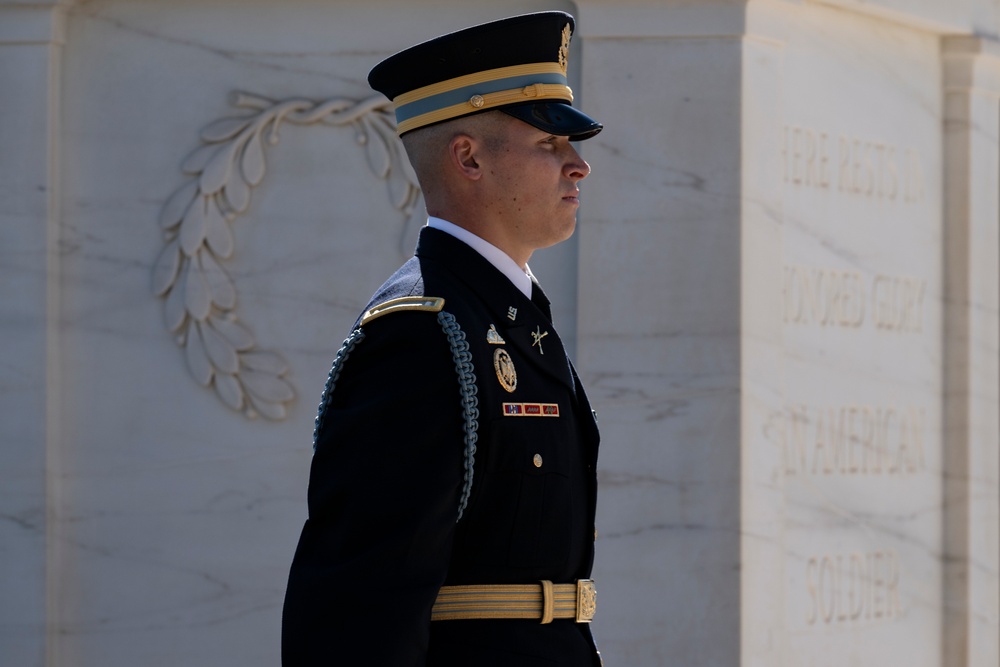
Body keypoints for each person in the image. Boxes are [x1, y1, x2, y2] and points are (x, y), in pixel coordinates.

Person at [282, 11, 604, 666]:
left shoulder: (508, 320)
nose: (579, 166)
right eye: (549, 144)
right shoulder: (424, 335)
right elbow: (357, 610)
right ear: (468, 157)